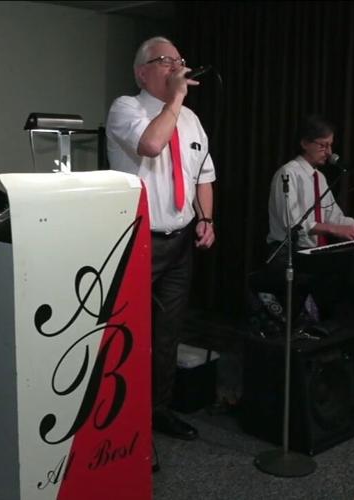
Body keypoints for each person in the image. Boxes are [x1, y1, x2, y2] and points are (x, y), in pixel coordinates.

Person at [106, 36, 216, 442]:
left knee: (168, 331)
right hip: (137, 239)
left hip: (180, 239)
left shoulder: (190, 119)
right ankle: (122, 419)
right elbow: (151, 144)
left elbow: (203, 176)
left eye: (179, 60)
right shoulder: (126, 108)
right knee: (129, 331)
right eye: (164, 61)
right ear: (142, 72)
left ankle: (159, 410)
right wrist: (175, 102)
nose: (175, 67)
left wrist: (207, 219)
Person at [258, 113, 354, 327]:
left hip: (314, 253)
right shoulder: (288, 174)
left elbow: (334, 215)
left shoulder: (320, 178)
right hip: (288, 254)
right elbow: (294, 224)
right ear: (305, 143)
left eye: (331, 145)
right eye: (323, 146)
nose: (330, 153)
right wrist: (334, 230)